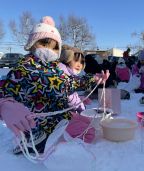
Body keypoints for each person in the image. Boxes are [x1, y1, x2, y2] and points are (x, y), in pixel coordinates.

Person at [0, 16, 109, 154]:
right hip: (42, 123)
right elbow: (4, 87)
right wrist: (4, 104)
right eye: (44, 44)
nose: (49, 50)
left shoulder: (55, 68)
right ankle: (47, 146)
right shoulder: (23, 68)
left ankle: (53, 140)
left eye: (55, 47)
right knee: (88, 133)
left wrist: (94, 78)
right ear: (32, 43)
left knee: (89, 123)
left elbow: (70, 82)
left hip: (61, 116)